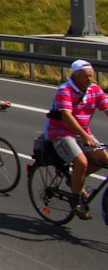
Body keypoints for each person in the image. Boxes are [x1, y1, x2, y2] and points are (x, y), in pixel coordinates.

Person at [44, 59, 108, 220]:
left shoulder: (94, 90)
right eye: (86, 76)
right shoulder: (64, 90)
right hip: (61, 133)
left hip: (83, 132)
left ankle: (74, 179)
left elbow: (106, 108)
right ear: (76, 76)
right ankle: (76, 201)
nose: (90, 79)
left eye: (92, 76)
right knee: (81, 161)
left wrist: (85, 135)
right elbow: (67, 116)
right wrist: (85, 136)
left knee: (103, 159)